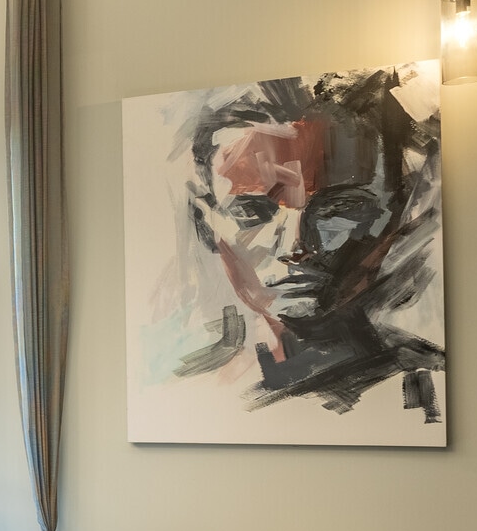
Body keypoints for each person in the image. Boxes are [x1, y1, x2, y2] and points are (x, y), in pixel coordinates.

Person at [179, 67, 442, 419]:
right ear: (206, 223)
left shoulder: (422, 391)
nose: (296, 246)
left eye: (341, 207)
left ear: (394, 215)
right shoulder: (183, 399)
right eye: (252, 211)